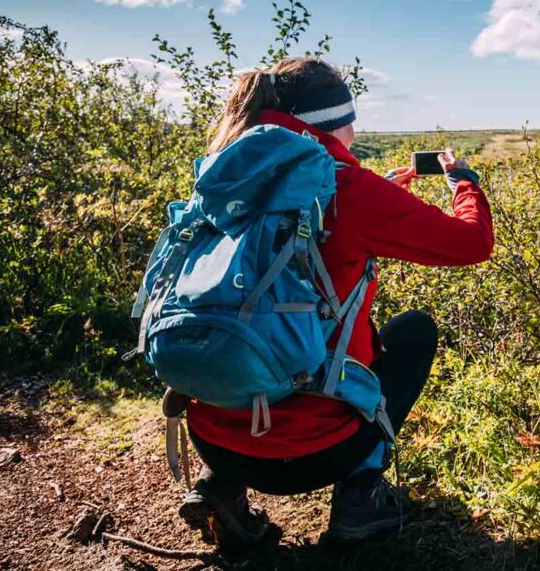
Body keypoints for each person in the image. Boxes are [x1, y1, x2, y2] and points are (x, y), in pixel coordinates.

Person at [178, 57, 493, 547]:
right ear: (335, 123)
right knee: (411, 332)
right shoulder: (350, 188)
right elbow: (472, 244)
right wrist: (464, 183)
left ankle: (223, 489)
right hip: (314, 452)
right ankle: (360, 498)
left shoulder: (223, 179)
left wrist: (381, 192)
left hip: (213, 436)